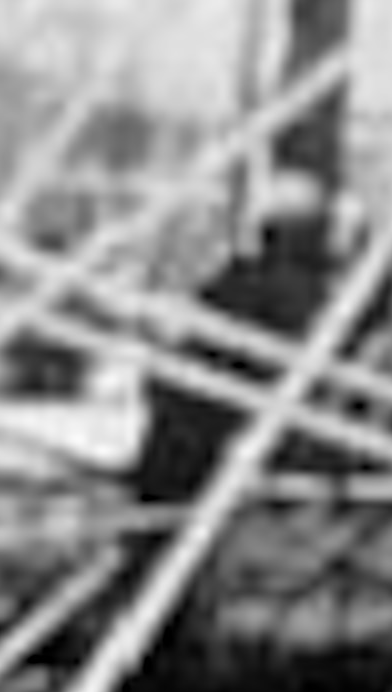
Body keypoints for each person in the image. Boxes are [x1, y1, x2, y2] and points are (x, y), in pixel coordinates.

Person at [127, 169, 337, 508]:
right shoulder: (307, 288)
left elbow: (199, 343)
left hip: (204, 420)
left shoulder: (242, 280)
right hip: (228, 420)